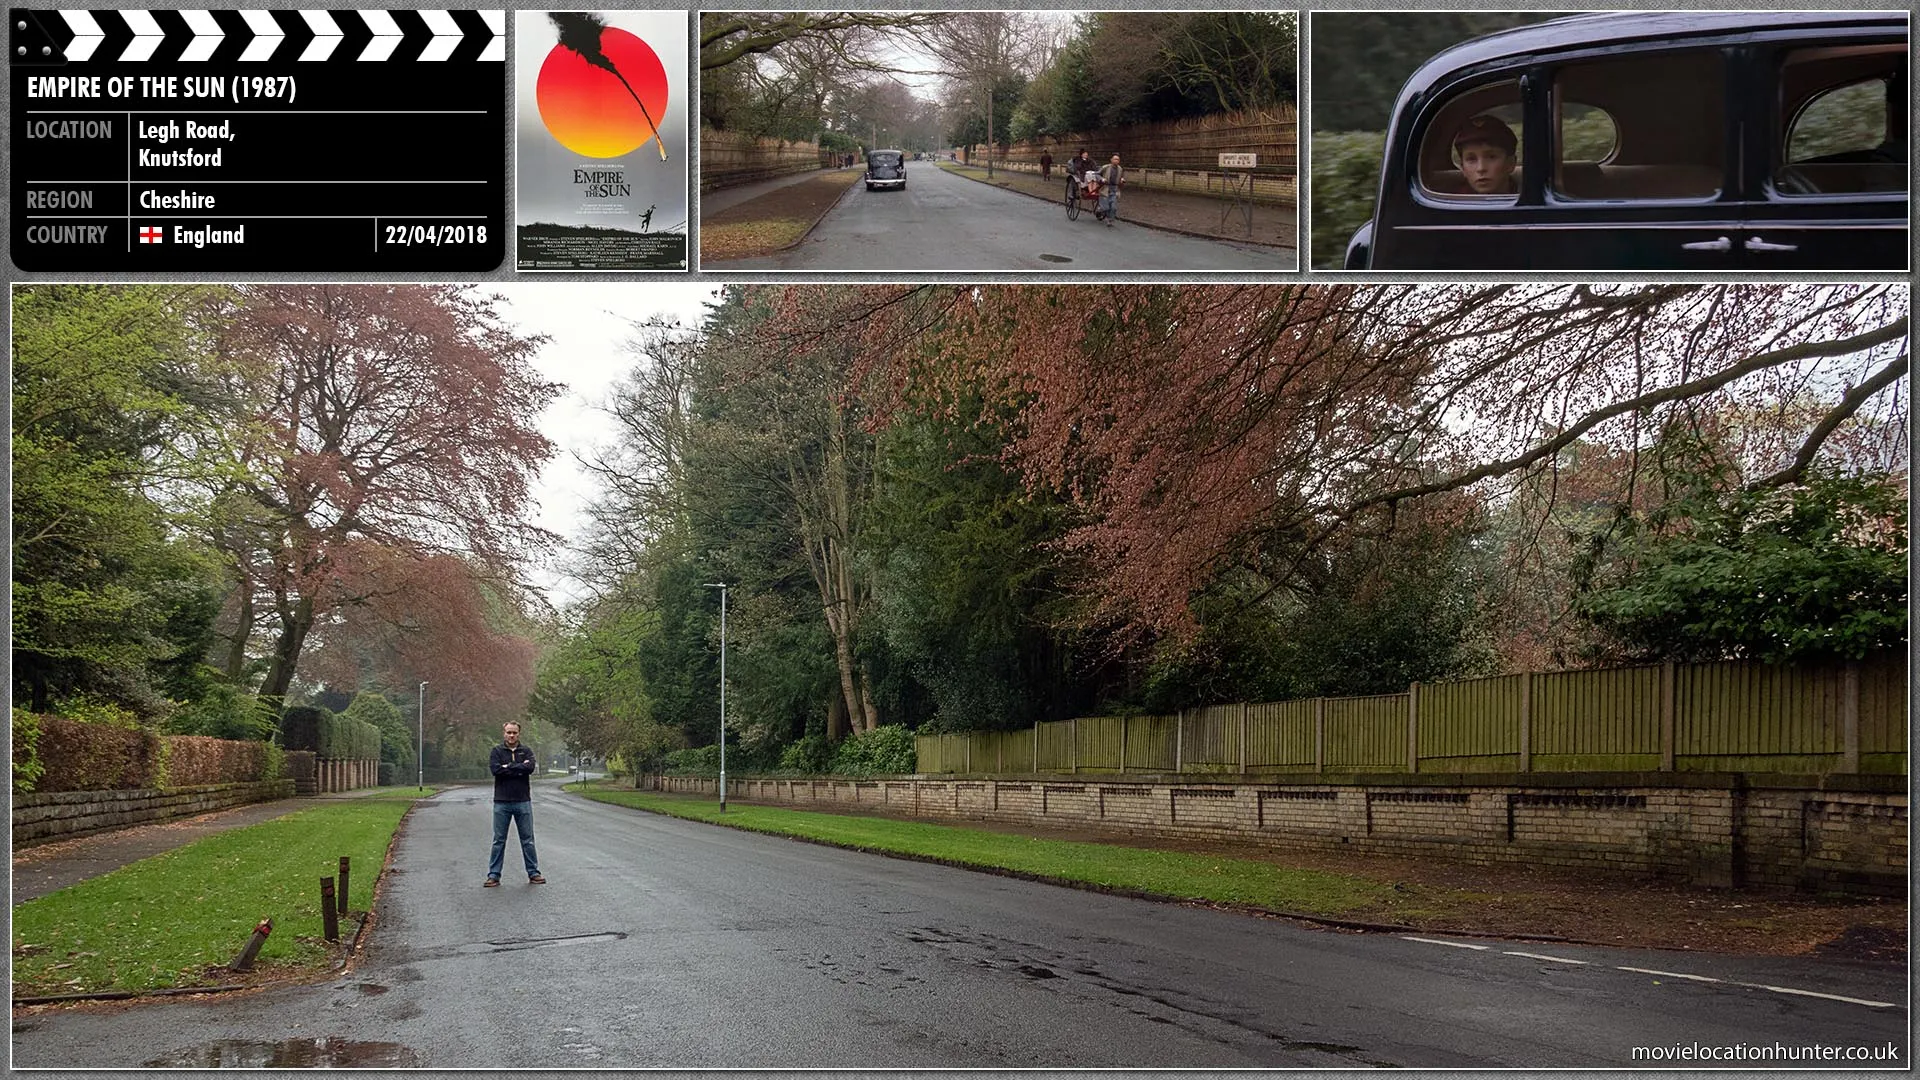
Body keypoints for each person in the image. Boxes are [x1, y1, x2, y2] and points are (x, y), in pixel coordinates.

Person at [485, 721, 543, 886]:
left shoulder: (527, 751)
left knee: (528, 839)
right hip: (501, 802)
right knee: (498, 840)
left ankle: (533, 873)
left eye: (514, 733)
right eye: (509, 732)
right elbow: (496, 770)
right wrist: (518, 767)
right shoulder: (496, 751)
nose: (511, 735)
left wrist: (508, 767)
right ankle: (494, 875)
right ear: (504, 733)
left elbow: (530, 768)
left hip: (522, 801)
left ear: (519, 734)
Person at [1453, 114, 1518, 195]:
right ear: (1463, 168)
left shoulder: (1530, 196)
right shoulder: (1452, 204)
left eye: (1491, 157)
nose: (1481, 168)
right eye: (1471, 159)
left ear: (1511, 163)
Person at [1095, 154, 1124, 225]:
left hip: (1114, 189)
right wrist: (1102, 179)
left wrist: (1122, 179)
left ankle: (1110, 220)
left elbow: (1121, 177)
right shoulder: (1105, 167)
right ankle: (1100, 209)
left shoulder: (1120, 169)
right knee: (1106, 207)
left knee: (1113, 207)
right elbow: (1097, 174)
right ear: (1111, 160)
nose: (1116, 161)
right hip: (1105, 188)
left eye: (1118, 159)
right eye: (1115, 159)